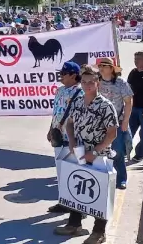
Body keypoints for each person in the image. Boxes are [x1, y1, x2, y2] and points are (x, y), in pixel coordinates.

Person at [55, 65, 118, 243]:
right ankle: (74, 224)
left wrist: (95, 151)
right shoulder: (78, 101)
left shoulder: (105, 106)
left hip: (99, 155)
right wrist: (73, 143)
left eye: (91, 82)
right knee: (76, 187)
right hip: (80, 151)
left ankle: (99, 232)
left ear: (97, 83)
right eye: (84, 82)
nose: (87, 85)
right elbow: (70, 123)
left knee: (100, 192)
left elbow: (112, 133)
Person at [45, 61, 82, 214]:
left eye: (64, 74)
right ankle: (64, 201)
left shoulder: (81, 93)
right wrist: (50, 128)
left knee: (75, 173)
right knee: (61, 171)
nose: (60, 76)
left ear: (73, 75)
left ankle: (78, 208)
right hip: (59, 136)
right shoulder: (59, 91)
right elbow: (56, 112)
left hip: (74, 139)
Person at [97, 57, 133, 189]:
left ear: (111, 68)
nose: (101, 68)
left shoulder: (121, 83)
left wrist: (126, 121)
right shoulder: (97, 82)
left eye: (104, 66)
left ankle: (121, 179)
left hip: (116, 123)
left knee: (117, 152)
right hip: (99, 124)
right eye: (100, 66)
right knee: (100, 151)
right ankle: (103, 179)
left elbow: (128, 102)